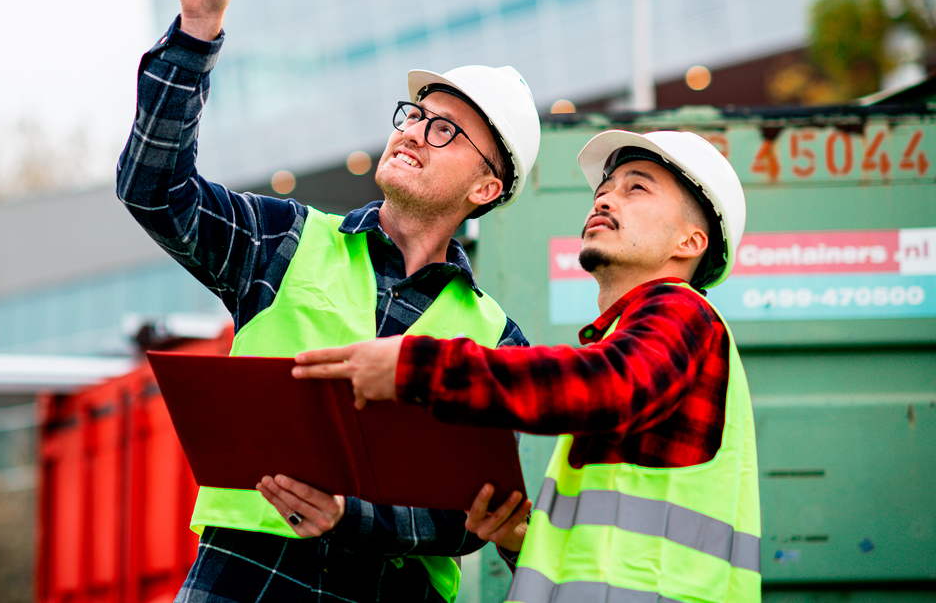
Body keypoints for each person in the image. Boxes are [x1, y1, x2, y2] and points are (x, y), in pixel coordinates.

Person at [116, 0, 542, 603]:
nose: (410, 130)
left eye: (445, 130)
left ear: (487, 188)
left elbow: (473, 518)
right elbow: (153, 189)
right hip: (243, 578)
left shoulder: (500, 340)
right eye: (415, 114)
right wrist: (197, 30)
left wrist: (355, 517)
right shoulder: (283, 240)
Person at [294, 130, 762, 603]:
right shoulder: (638, 352)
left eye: (635, 187)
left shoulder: (681, 312)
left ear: (691, 240)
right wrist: (521, 537)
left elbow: (605, 385)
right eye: (604, 188)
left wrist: (415, 366)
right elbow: (603, 556)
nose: (604, 198)